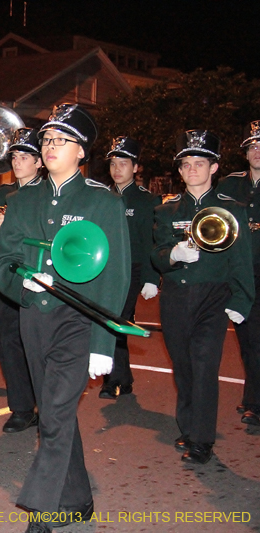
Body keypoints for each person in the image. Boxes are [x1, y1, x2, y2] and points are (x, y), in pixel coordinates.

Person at [0, 104, 130, 533]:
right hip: (35, 317)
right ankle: (78, 498)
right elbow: (2, 260)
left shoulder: (101, 201)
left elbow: (115, 275)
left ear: (82, 151)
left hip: (79, 320)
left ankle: (43, 509)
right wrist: (22, 282)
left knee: (52, 414)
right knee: (56, 412)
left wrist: (103, 343)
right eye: (47, 139)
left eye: (61, 140)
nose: (50, 146)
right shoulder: (23, 200)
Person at [152, 130, 253, 463]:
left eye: (199, 163)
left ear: (214, 168)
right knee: (183, 367)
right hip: (176, 297)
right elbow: (156, 254)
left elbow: (241, 260)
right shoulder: (167, 210)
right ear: (180, 171)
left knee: (205, 366)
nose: (192, 169)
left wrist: (241, 301)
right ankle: (189, 427)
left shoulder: (231, 209)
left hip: (213, 297)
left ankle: (202, 440)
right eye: (186, 165)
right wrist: (173, 255)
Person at [0, 127, 42, 433]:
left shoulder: (49, 194)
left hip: (39, 280)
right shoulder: (1, 195)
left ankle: (46, 406)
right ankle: (22, 408)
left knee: (39, 346)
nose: (17, 162)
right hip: (7, 280)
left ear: (39, 162)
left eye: (25, 156)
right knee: (9, 345)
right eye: (14, 156)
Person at [101, 136, 161, 399]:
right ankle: (122, 379)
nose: (117, 169)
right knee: (109, 321)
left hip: (131, 269)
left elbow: (150, 241)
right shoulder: (101, 197)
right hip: (104, 268)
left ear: (136, 168)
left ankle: (112, 380)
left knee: (115, 320)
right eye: (113, 163)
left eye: (123, 163)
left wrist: (151, 278)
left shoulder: (147, 201)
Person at [215, 121, 260, 426]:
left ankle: (255, 403)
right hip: (240, 273)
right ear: (245, 153)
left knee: (256, 339)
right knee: (247, 339)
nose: (258, 152)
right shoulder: (230, 185)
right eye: (253, 146)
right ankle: (252, 396)